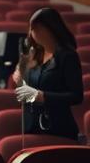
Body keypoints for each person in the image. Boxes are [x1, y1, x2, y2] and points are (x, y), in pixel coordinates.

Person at [13, 7, 83, 141]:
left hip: (57, 127)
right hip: (31, 126)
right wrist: (20, 78)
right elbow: (26, 91)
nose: (31, 33)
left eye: (36, 29)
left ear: (50, 29)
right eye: (32, 29)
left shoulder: (68, 56)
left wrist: (42, 96)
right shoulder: (34, 55)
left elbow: (76, 96)